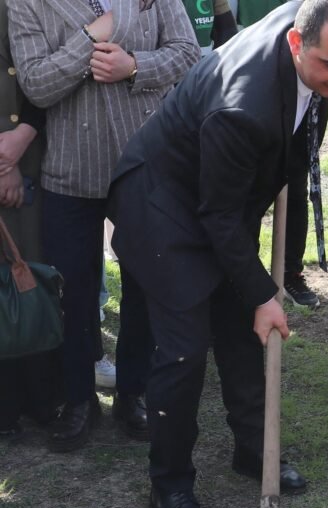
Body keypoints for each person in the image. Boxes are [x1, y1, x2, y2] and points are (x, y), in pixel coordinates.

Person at [106, 0, 328, 508]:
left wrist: (252, 298)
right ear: (296, 44)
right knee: (184, 350)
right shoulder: (243, 107)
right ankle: (170, 483)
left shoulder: (312, 19)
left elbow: (228, 211)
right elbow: (220, 218)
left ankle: (255, 449)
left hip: (219, 195)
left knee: (243, 330)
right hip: (161, 206)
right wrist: (263, 295)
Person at [8, 0, 200, 452]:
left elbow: (187, 52)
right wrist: (90, 39)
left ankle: (133, 391)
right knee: (72, 291)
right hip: (70, 168)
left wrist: (134, 66)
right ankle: (79, 399)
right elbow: (35, 84)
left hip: (145, 161)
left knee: (143, 284)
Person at [237, 0, 328, 309]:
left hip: (306, 86)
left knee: (295, 184)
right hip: (254, 86)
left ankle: (290, 273)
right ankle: (244, 276)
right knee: (247, 190)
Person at [0, 0, 59, 438]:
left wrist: (17, 147)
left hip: (33, 157)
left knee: (29, 275)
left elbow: (45, 75)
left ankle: (41, 398)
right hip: (10, 161)